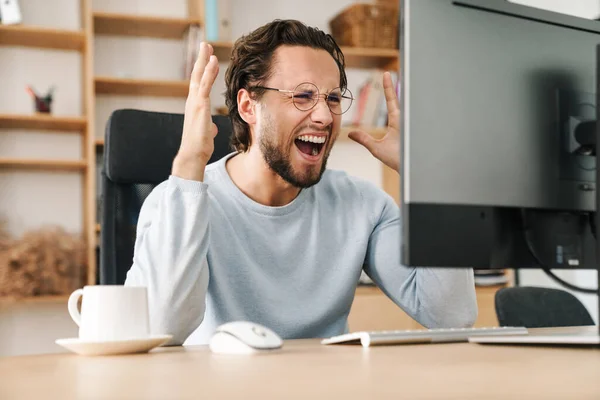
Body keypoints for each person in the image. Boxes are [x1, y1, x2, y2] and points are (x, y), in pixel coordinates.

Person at [125, 19, 477, 345]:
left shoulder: (364, 205)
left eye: (334, 98)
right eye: (303, 96)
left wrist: (430, 179)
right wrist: (189, 164)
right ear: (249, 107)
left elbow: (450, 316)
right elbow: (161, 329)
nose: (324, 116)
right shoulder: (179, 201)